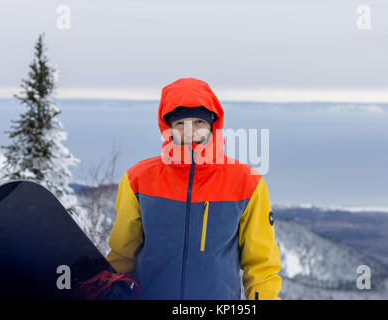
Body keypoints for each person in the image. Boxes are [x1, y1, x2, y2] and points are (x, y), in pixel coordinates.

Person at [106, 77, 282, 300]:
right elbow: (122, 254)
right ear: (168, 127)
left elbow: (261, 266)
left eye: (198, 122)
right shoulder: (138, 179)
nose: (190, 132)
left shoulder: (247, 182)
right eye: (181, 123)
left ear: (213, 124)